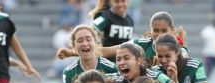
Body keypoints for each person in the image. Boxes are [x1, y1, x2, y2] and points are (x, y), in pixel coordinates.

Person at [58, 11, 187, 67]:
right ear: (150, 29)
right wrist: (73, 53)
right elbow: (107, 51)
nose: (159, 34)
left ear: (172, 29)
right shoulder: (140, 44)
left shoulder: (180, 51)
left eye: (164, 31)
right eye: (155, 30)